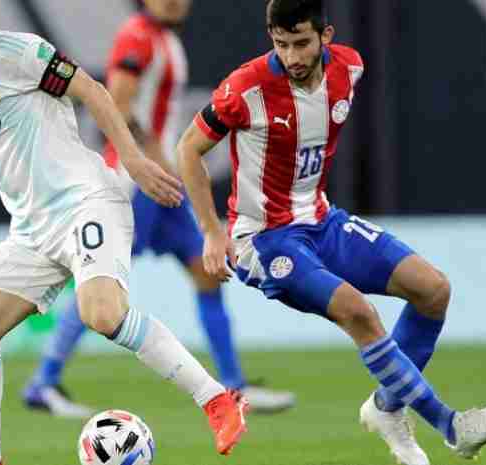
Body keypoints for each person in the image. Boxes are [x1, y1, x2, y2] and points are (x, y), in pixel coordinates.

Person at [0, 1, 249, 464]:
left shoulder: (18, 53)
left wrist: (132, 160)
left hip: (88, 201)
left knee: (102, 314)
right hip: (32, 229)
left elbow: (92, 90)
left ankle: (217, 399)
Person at [176, 1, 486, 464]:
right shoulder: (245, 88)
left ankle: (387, 408)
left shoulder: (349, 68)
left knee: (433, 290)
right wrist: (212, 232)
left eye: (301, 43)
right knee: (358, 312)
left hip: (322, 221)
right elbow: (188, 149)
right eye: (280, 44)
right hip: (265, 239)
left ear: (326, 36)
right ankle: (451, 426)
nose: (291, 56)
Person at [21, 0, 295, 418]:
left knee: (207, 273)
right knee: (99, 282)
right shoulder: (138, 35)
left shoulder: (164, 39)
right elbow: (117, 102)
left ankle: (234, 386)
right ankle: (43, 382)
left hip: (160, 182)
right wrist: (153, 155)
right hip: (136, 183)